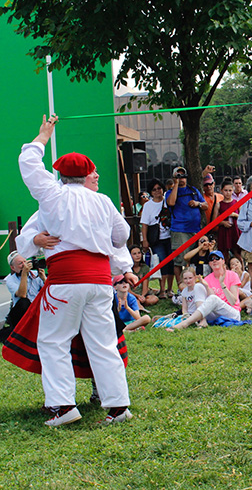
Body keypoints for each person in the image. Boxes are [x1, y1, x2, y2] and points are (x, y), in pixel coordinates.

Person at [17, 115, 134, 426]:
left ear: (60, 175)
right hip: (99, 282)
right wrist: (104, 244)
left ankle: (63, 406)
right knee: (103, 342)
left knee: (54, 341)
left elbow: (28, 163)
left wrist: (43, 135)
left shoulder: (51, 194)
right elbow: (122, 236)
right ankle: (119, 407)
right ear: (86, 176)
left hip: (66, 280)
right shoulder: (104, 202)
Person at [170, 253, 241, 329]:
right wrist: (206, 286)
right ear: (209, 263)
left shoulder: (232, 275)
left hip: (232, 313)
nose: (214, 261)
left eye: (217, 258)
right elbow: (210, 300)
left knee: (213, 299)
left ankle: (185, 324)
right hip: (214, 313)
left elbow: (233, 302)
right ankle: (202, 320)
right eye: (211, 259)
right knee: (198, 286)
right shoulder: (208, 279)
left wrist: (222, 284)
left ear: (223, 261)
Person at [166, 166, 208, 283]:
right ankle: (181, 286)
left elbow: (206, 206)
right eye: (178, 176)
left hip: (195, 229)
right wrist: (175, 184)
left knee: (193, 258)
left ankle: (193, 283)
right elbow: (171, 202)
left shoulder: (193, 190)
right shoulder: (170, 192)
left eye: (183, 176)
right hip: (179, 230)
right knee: (179, 260)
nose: (181, 179)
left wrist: (197, 203)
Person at [140, 178, 175, 299]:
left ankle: (170, 289)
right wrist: (144, 240)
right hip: (156, 238)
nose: (157, 191)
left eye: (159, 188)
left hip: (170, 236)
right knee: (162, 262)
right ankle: (162, 290)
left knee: (171, 262)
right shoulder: (148, 205)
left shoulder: (168, 202)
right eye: (154, 190)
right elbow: (144, 224)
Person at [2, 252, 45, 342]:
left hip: (38, 308)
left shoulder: (35, 274)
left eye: (25, 262)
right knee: (24, 302)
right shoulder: (10, 280)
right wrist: (24, 275)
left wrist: (44, 278)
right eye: (20, 263)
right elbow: (22, 294)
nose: (24, 265)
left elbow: (51, 290)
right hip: (22, 312)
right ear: (13, 268)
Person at [213, 178, 241, 265]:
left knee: (237, 253)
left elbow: (242, 218)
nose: (228, 193)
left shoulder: (236, 202)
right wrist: (223, 223)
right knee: (224, 254)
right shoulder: (219, 204)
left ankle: (242, 271)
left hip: (235, 231)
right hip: (224, 232)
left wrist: (234, 215)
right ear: (221, 191)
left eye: (230, 190)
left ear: (232, 191)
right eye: (225, 190)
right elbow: (214, 221)